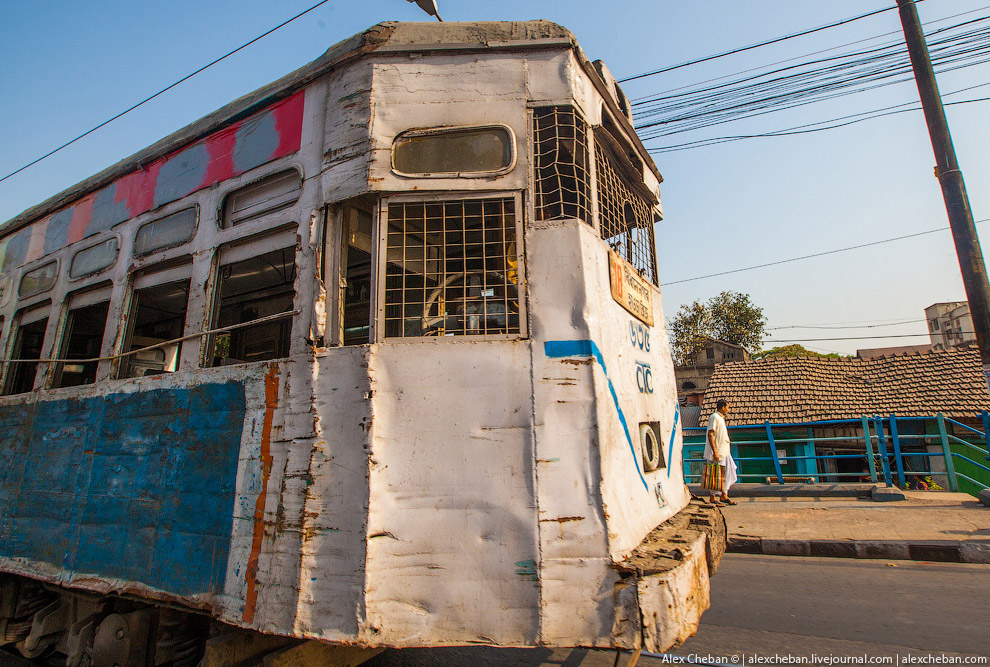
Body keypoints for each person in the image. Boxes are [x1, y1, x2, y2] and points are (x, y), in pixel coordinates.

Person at [703, 399, 737, 506]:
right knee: (715, 474)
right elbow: (710, 434)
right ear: (722, 407)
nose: (728, 410)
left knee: (729, 470)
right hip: (717, 452)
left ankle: (724, 494)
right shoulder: (714, 417)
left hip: (724, 451)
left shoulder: (720, 418)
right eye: (727, 407)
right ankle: (713, 497)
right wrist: (715, 452)